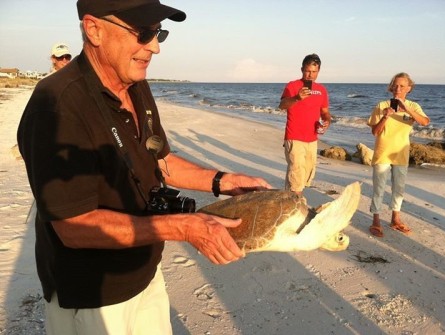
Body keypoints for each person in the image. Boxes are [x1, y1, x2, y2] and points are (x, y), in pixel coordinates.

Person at [17, 1, 271, 334]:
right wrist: (182, 227)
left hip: (145, 274)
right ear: (94, 29)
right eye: (143, 33)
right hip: (94, 296)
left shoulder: (135, 84)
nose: (155, 47)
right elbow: (73, 227)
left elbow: (159, 160)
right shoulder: (56, 105)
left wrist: (224, 181)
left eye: (159, 32)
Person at [367, 72, 429, 238]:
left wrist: (406, 108)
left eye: (402, 86)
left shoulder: (413, 106)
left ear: (409, 88)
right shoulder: (382, 105)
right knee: (379, 188)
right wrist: (386, 117)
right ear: (391, 87)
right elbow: (375, 132)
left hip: (401, 153)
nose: (397, 88)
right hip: (383, 153)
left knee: (399, 188)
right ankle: (376, 220)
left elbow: (425, 122)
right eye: (395, 85)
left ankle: (396, 219)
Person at [278, 53, 331, 199]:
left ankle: (290, 202)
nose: (310, 75)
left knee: (306, 175)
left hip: (312, 139)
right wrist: (297, 97)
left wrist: (326, 122)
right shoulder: (293, 86)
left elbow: (325, 112)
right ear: (302, 69)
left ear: (318, 71)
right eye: (308, 71)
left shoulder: (321, 90)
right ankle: (295, 205)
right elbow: (282, 105)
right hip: (294, 136)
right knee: (296, 174)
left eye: (314, 72)